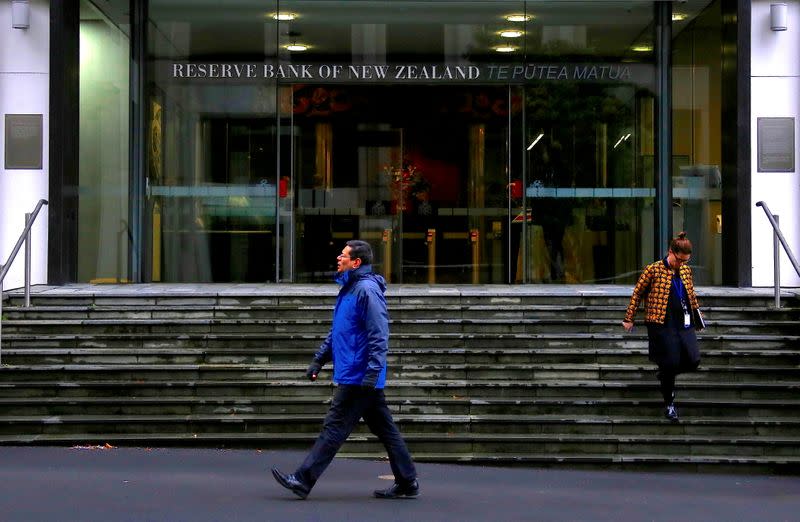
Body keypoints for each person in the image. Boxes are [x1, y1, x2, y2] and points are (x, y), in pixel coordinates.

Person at [271, 240, 419, 500]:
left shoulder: (366, 290)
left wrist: (372, 373)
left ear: (357, 262)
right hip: (358, 374)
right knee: (386, 429)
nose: (339, 258)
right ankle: (407, 481)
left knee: (334, 427)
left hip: (360, 376)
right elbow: (339, 332)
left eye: (344, 255)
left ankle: (303, 479)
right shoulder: (350, 289)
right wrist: (319, 360)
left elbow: (379, 334)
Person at [622, 232, 703, 422]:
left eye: (685, 261)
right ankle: (669, 404)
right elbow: (637, 293)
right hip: (661, 322)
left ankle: (664, 373)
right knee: (670, 362)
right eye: (679, 260)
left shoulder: (685, 271)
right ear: (671, 252)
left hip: (683, 321)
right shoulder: (653, 270)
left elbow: (691, 295)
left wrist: (697, 318)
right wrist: (629, 318)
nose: (681, 264)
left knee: (693, 359)